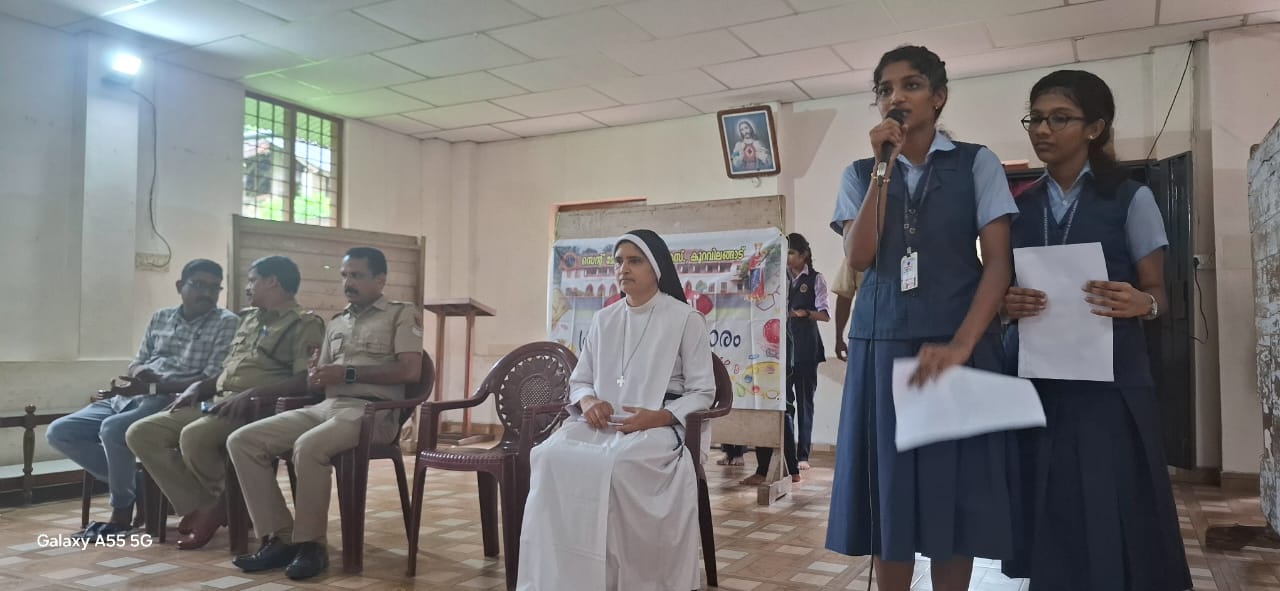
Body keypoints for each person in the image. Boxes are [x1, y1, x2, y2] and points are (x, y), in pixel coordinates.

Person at [825, 45, 1020, 591]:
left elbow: (998, 263)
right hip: (881, 345)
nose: (897, 97)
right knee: (889, 497)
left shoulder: (975, 162)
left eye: (911, 85)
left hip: (955, 345)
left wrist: (962, 346)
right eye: (885, 90)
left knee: (952, 494)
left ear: (939, 97)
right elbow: (859, 257)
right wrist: (882, 171)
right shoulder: (860, 172)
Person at [999, 70, 1192, 590]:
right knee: (1052, 500)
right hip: (1041, 379)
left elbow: (1160, 293)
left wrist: (1141, 302)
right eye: (1036, 119)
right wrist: (1008, 305)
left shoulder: (1130, 198)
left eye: (1059, 118)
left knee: (1115, 500)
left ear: (1095, 128)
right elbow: (1003, 291)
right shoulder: (1018, 207)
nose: (1043, 129)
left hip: (1110, 381)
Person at [517, 229, 715, 591]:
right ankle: (563, 576)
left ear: (656, 268)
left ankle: (627, 577)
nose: (623, 268)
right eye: (619, 261)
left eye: (634, 261)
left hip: (661, 426)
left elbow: (703, 391)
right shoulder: (603, 319)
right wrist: (589, 402)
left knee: (619, 466)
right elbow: (580, 381)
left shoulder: (686, 319)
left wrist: (659, 417)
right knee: (548, 456)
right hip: (605, 423)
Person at [226, 247, 422, 580]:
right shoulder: (337, 321)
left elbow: (410, 370)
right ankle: (280, 537)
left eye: (357, 276)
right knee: (242, 441)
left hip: (372, 412)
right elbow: (321, 377)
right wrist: (316, 376)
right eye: (345, 275)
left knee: (309, 446)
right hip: (327, 406)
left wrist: (347, 374)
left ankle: (311, 545)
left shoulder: (401, 314)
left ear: (380, 280)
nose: (348, 283)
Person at [126, 256, 324, 550]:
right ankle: (208, 506)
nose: (247, 287)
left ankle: (218, 508)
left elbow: (305, 381)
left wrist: (253, 394)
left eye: (253, 280)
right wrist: (199, 386)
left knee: (195, 436)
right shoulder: (248, 319)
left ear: (272, 282)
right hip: (219, 400)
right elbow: (231, 370)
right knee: (141, 432)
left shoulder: (303, 324)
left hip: (258, 408)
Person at [46, 259, 239, 539]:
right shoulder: (161, 317)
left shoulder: (226, 322)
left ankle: (121, 514)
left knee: (113, 429)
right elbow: (137, 361)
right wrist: (140, 373)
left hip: (172, 401)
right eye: (199, 285)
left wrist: (154, 387)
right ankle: (140, 485)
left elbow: (209, 379)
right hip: (133, 395)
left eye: (214, 288)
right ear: (180, 286)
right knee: (60, 431)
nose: (207, 293)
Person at [740, 233, 829, 485]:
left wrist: (805, 313)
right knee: (783, 405)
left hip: (807, 349)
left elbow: (825, 314)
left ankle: (803, 455)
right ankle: (782, 463)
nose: (787, 257)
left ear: (803, 255)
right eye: (785, 252)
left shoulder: (815, 279)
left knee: (804, 403)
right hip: (779, 351)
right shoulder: (777, 277)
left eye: (791, 253)